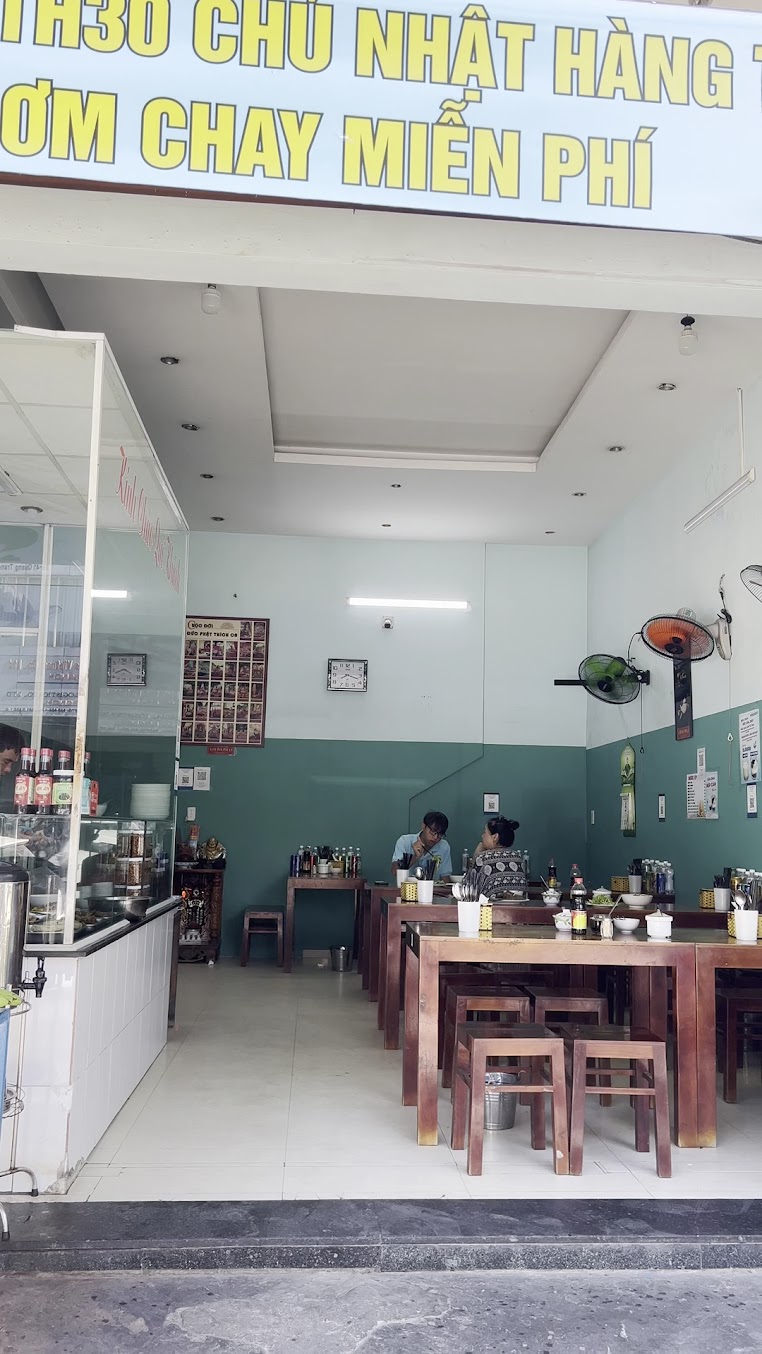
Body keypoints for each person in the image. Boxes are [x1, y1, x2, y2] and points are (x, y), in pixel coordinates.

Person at [472, 816, 524, 898]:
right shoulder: (518, 857)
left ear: (495, 837)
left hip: (490, 905)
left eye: (485, 832)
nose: (482, 836)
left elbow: (470, 887)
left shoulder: (483, 858)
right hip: (517, 905)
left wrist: (479, 848)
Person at [392, 810, 452, 880]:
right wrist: (415, 857)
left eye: (440, 834)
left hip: (433, 886)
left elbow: (445, 877)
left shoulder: (444, 846)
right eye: (433, 831)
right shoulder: (404, 841)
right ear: (423, 826)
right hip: (407, 886)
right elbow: (395, 871)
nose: (436, 837)